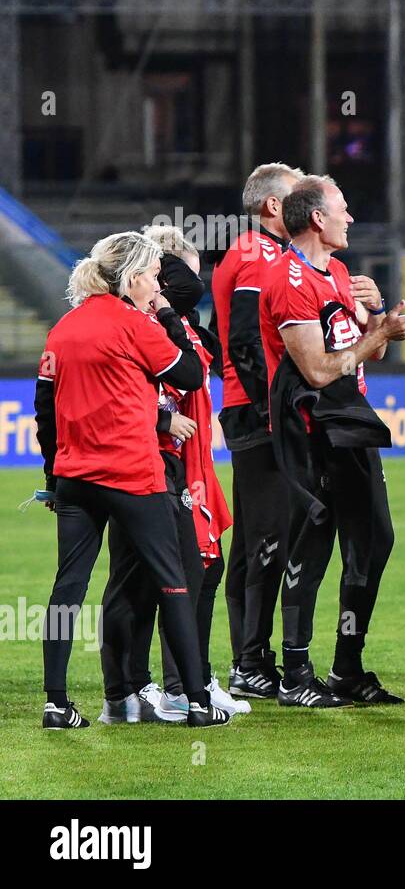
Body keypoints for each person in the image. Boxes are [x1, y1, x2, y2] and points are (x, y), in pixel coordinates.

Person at [34, 231, 231, 729]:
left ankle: (57, 703)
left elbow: (45, 412)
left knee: (67, 588)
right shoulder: (135, 324)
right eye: (151, 275)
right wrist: (166, 315)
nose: (156, 284)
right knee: (174, 583)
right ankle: (198, 704)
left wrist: (53, 478)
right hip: (132, 474)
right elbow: (188, 374)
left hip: (75, 478)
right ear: (133, 277)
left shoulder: (63, 328)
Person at [260, 175, 405, 707]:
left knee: (373, 541)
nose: (350, 218)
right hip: (312, 432)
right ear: (317, 219)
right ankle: (294, 673)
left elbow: (364, 355)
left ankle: (346, 667)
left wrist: (378, 316)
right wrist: (380, 333)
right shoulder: (289, 279)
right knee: (312, 546)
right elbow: (314, 371)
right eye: (344, 209)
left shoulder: (334, 272)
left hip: (350, 424)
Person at [98, 226, 243, 724]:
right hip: (148, 461)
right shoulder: (140, 320)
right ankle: (160, 688)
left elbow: (198, 369)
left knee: (181, 571)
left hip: (185, 461)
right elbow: (119, 389)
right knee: (150, 577)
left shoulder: (174, 323)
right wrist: (161, 419)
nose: (168, 282)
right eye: (158, 273)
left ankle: (170, 685)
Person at [211, 161, 304, 697]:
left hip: (253, 405)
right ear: (273, 206)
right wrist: (272, 408)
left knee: (254, 536)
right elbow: (244, 340)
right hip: (256, 407)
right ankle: (250, 661)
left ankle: (249, 657)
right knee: (269, 535)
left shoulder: (269, 254)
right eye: (295, 197)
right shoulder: (254, 253)